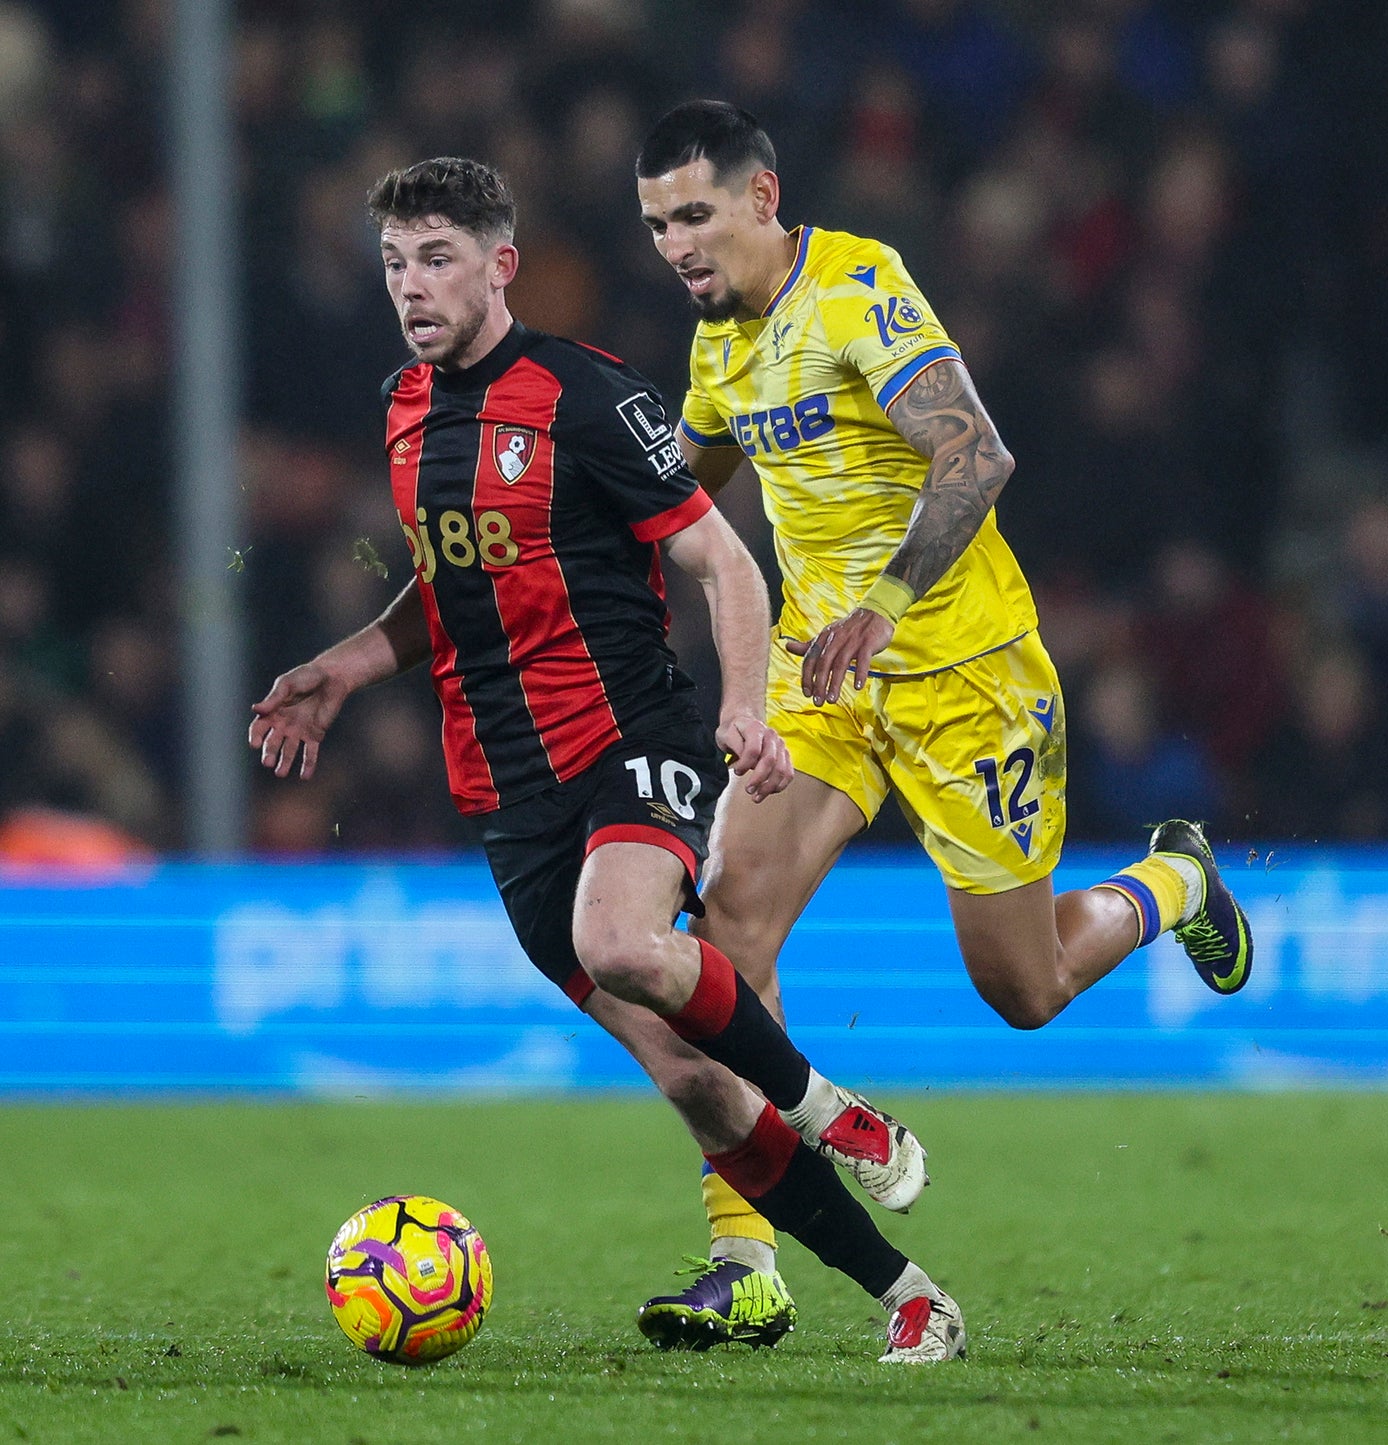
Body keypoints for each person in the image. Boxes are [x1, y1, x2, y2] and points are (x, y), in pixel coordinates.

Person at [248, 156, 964, 1364]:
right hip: (504, 791)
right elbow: (460, 582)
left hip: (631, 740)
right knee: (689, 1076)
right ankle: (908, 1293)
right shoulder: (404, 406)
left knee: (622, 940)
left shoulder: (584, 395)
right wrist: (352, 663)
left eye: (436, 258)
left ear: (499, 264)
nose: (410, 286)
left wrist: (746, 707)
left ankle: (830, 1107)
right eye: (393, 262)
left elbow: (724, 564)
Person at [633, 100, 1255, 1345]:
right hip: (825, 684)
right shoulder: (719, 344)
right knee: (724, 925)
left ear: (762, 198)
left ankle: (1172, 883)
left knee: (1021, 989)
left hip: (965, 678)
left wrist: (885, 599)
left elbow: (975, 458)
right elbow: (675, 492)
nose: (675, 246)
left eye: (693, 215)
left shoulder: (858, 289)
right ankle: (746, 1256)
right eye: (653, 225)